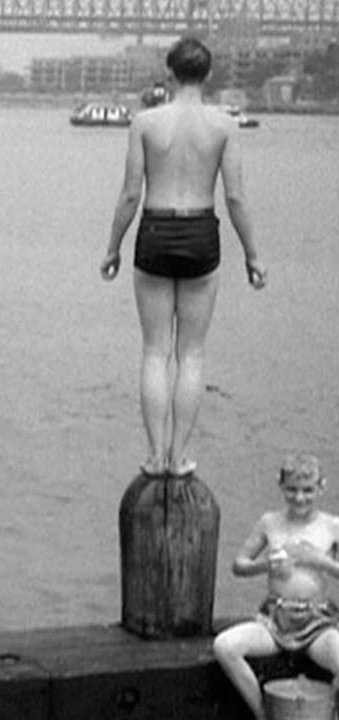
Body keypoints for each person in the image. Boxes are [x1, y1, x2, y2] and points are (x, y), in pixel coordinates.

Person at [99, 36, 267, 479]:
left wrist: (113, 247)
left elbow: (131, 193)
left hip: (155, 231)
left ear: (169, 72)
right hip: (199, 234)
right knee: (191, 355)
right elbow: (235, 197)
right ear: (208, 75)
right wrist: (253, 255)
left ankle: (154, 457)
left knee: (155, 352)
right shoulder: (224, 125)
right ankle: (178, 458)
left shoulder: (145, 123)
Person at [212, 455, 339, 720]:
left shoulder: (332, 527)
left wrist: (320, 560)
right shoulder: (269, 522)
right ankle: (263, 713)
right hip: (274, 619)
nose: (300, 498)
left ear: (322, 487)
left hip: (317, 623)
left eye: (308, 490)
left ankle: (326, 713)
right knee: (225, 646)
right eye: (292, 490)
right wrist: (266, 565)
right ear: (281, 486)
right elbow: (239, 564)